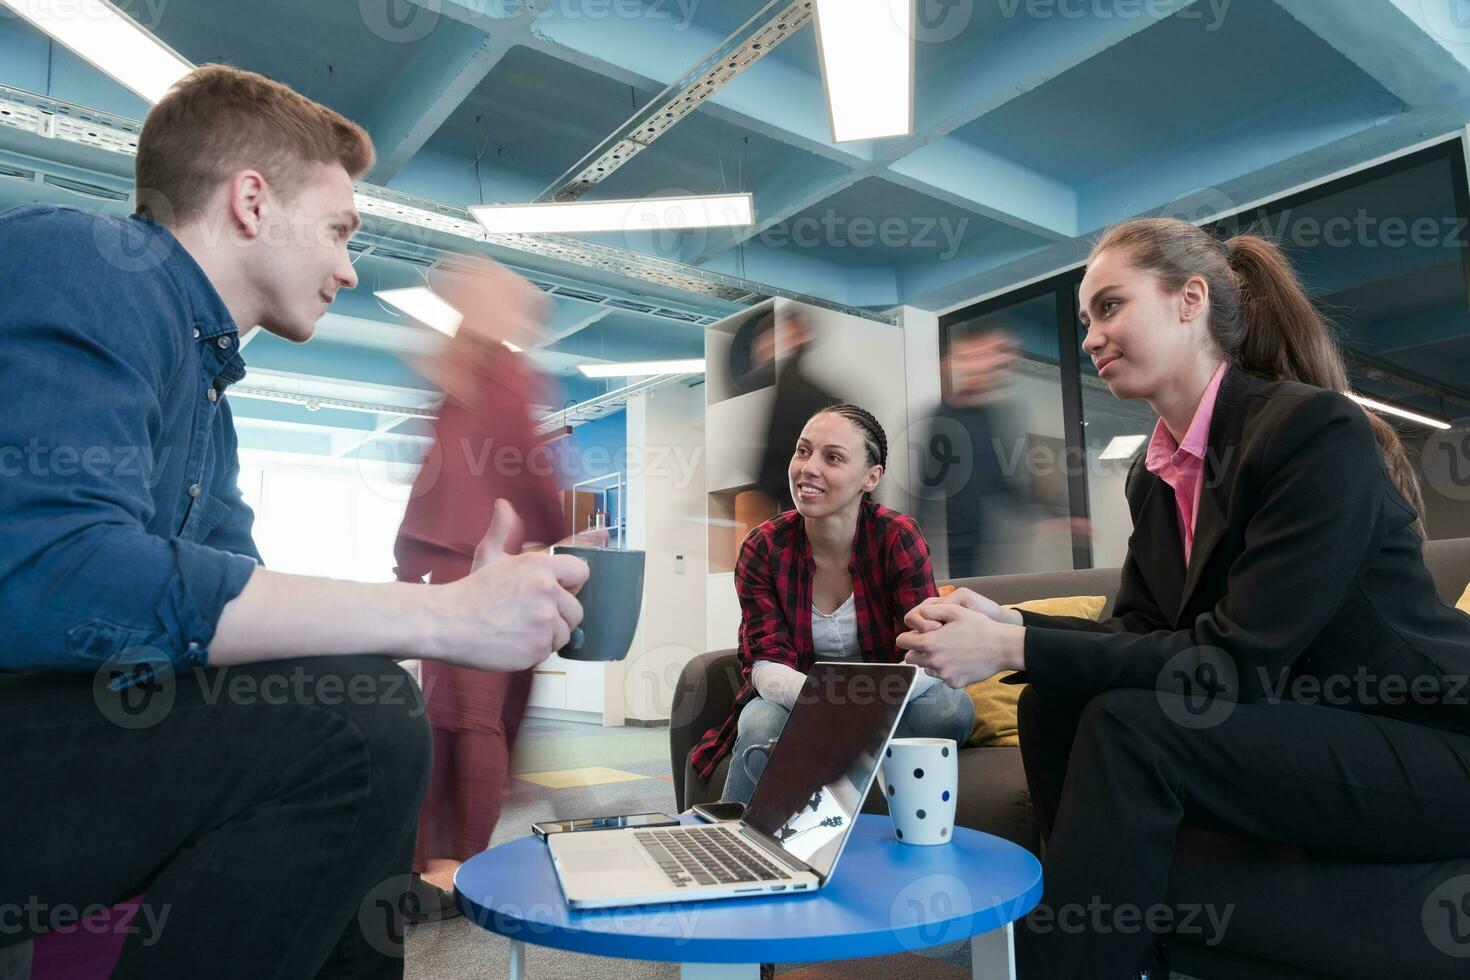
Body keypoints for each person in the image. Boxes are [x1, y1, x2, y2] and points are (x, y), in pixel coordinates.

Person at [0, 66, 586, 978]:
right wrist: (439, 617)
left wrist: (447, 616)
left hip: (51, 741)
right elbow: (50, 576)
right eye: (339, 229)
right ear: (250, 201)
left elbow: (240, 631)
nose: (350, 268)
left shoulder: (204, 393)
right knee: (361, 725)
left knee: (353, 695)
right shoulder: (84, 263)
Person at [896, 217, 1470, 978]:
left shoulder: (1312, 431)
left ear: (1189, 299)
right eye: (1084, 321)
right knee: (1054, 702)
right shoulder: (1156, 474)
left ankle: (1066, 965)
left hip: (1425, 746)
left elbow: (1235, 663)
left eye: (1110, 307)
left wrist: (1011, 648)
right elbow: (1138, 630)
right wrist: (1014, 622)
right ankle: (1112, 947)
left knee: (1135, 730)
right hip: (1308, 728)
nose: (1093, 337)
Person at [689, 404, 975, 805]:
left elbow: (927, 650)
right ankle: (738, 856)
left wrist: (866, 706)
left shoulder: (897, 537)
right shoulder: (763, 546)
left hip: (888, 701)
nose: (808, 467)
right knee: (758, 721)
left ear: (871, 477)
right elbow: (765, 660)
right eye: (803, 451)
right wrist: (823, 705)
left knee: (947, 709)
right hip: (798, 700)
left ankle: (850, 804)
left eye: (833, 457)